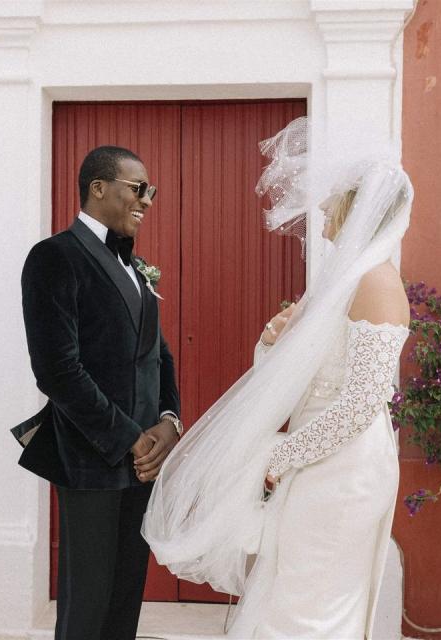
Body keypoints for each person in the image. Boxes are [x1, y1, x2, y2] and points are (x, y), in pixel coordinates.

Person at [142, 117, 413, 639]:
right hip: (315, 459)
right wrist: (274, 335)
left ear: (357, 210)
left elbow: (361, 405)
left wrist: (279, 457)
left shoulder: (377, 283)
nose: (323, 215)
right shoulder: (344, 280)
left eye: (332, 204)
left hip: (343, 469)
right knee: (292, 588)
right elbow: (288, 374)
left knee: (312, 601)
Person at [12, 145, 182, 640]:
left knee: (126, 593)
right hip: (92, 455)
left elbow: (159, 356)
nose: (147, 200)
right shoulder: (53, 258)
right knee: (87, 601)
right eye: (137, 188)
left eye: (150, 191)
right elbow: (57, 370)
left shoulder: (139, 267)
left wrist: (169, 424)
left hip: (145, 460)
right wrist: (131, 438)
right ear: (98, 188)